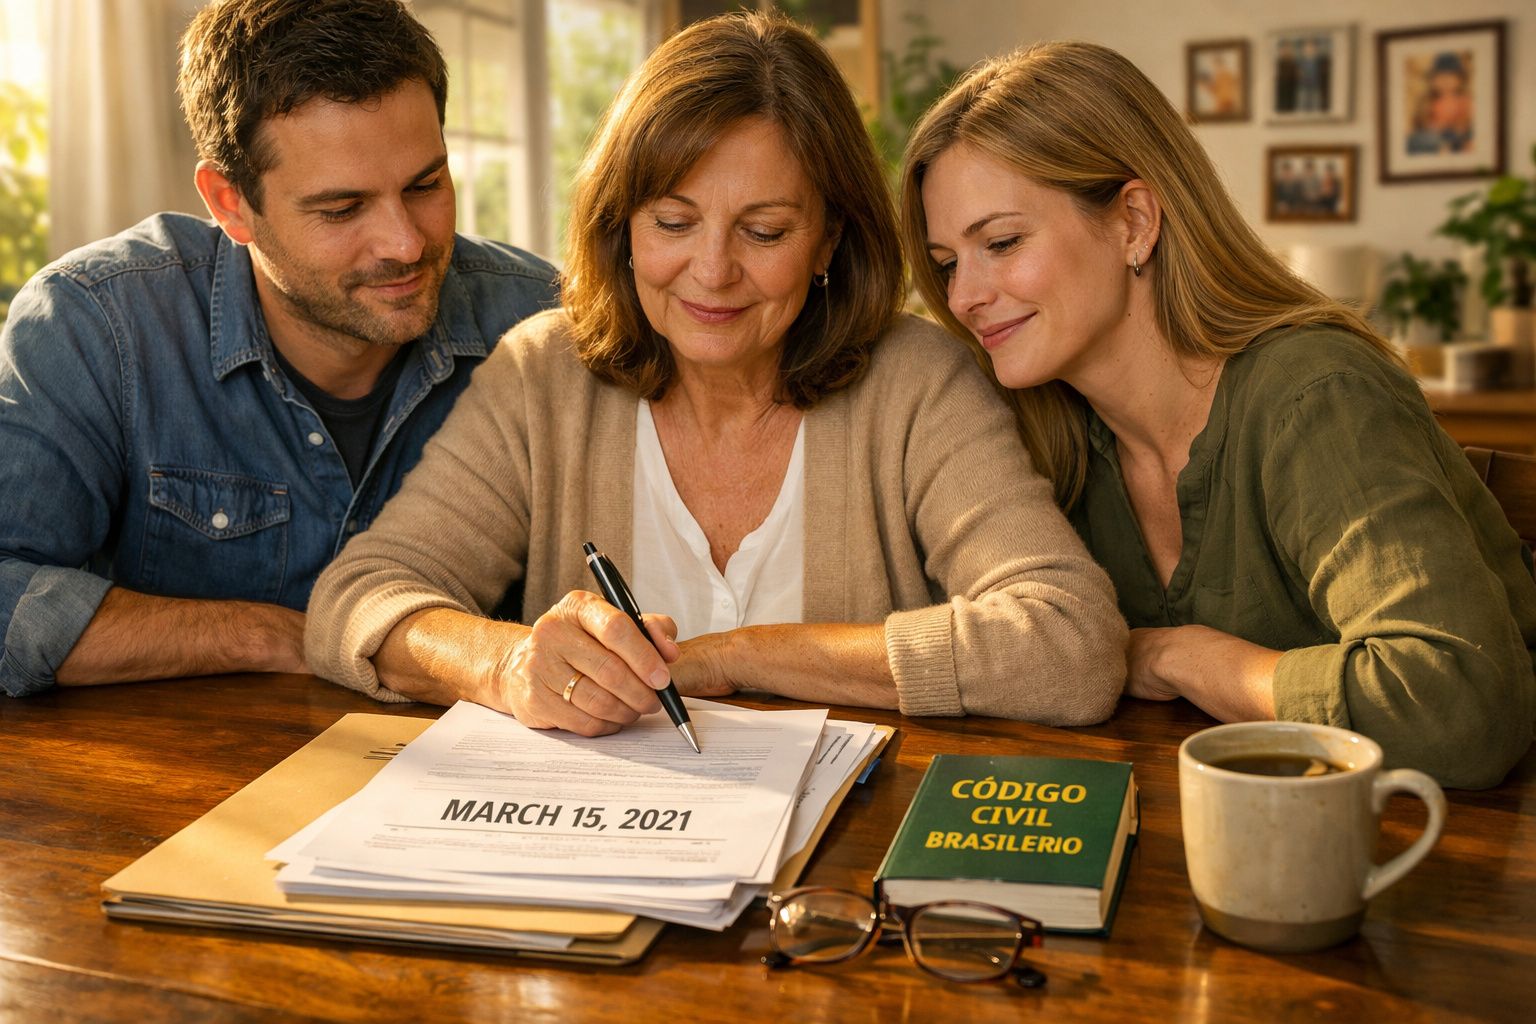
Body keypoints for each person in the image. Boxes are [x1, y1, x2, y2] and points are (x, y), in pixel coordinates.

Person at [304, 13, 1126, 733]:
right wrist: (506, 663)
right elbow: (359, 599)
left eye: (764, 232)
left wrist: (738, 657)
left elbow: (1070, 646)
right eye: (673, 222)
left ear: (829, 242)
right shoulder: (542, 376)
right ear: (622, 225)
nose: (713, 272)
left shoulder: (917, 384)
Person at [903, 41, 1536, 788]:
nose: (963, 296)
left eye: (1002, 243)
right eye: (946, 264)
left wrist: (1183, 654)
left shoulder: (1315, 394)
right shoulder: (1047, 434)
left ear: (1135, 221)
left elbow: (1456, 708)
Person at [0, 0, 557, 698]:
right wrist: (271, 634)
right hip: (187, 784)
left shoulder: (543, 321)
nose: (406, 244)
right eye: (341, 209)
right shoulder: (97, 324)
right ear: (230, 203)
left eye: (426, 185)